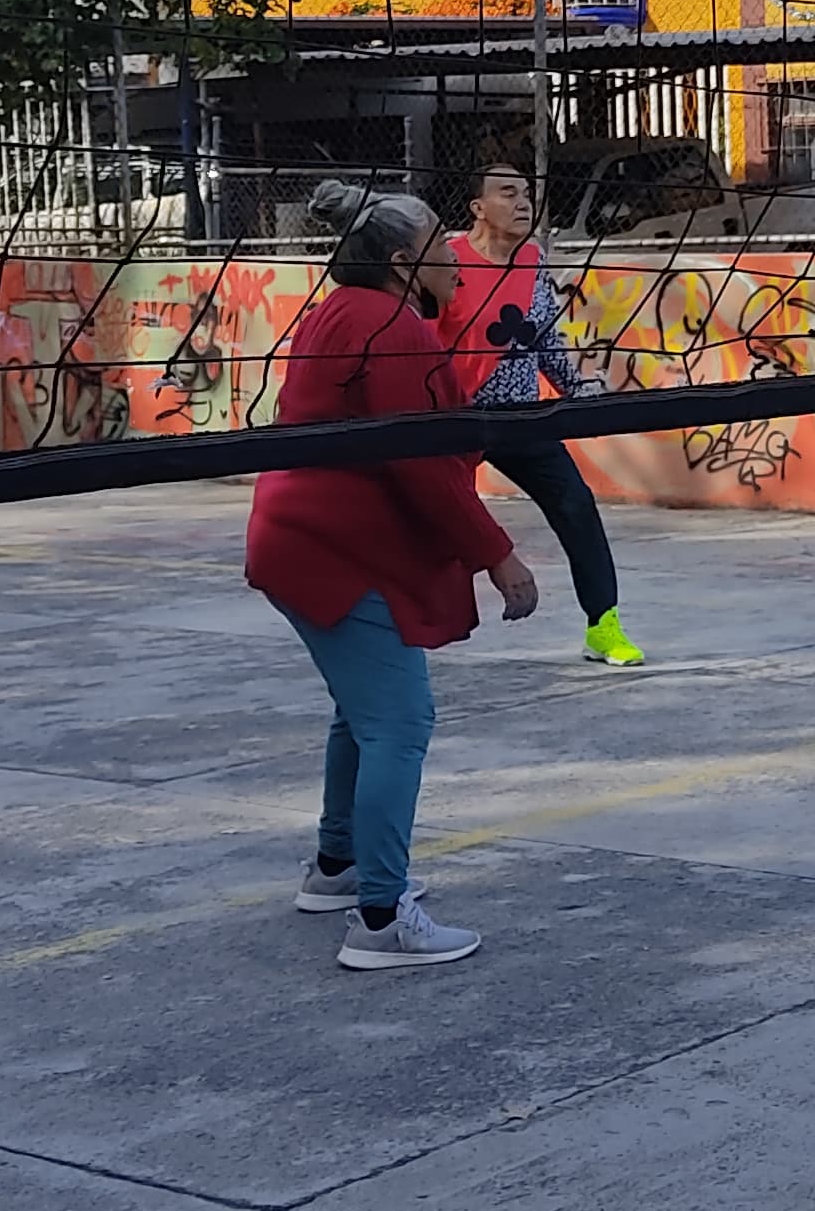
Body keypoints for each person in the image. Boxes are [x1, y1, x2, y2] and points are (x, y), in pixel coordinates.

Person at [251, 180, 540, 970]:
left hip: (304, 536)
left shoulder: (346, 312)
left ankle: (337, 869)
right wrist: (498, 555)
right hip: (335, 546)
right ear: (404, 261)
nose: (456, 258)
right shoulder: (391, 327)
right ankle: (381, 917)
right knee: (399, 723)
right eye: (443, 249)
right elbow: (421, 465)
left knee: (364, 711)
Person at [442, 164, 647, 667]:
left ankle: (604, 626)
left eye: (526, 193)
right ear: (477, 208)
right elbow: (419, 337)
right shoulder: (446, 258)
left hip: (522, 415)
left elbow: (543, 340)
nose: (522, 202)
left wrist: (577, 389)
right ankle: (411, 623)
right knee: (432, 518)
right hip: (455, 416)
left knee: (576, 506)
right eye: (507, 193)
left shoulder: (532, 259)